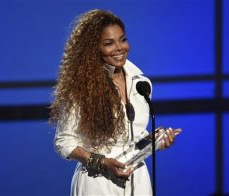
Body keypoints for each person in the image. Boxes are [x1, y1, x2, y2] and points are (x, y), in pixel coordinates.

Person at [50, 9, 181, 196]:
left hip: (138, 180)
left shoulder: (141, 83)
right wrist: (102, 162)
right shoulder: (80, 90)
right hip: (98, 182)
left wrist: (153, 140)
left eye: (123, 39)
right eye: (109, 43)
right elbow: (64, 142)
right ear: (93, 49)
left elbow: (131, 140)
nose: (119, 47)